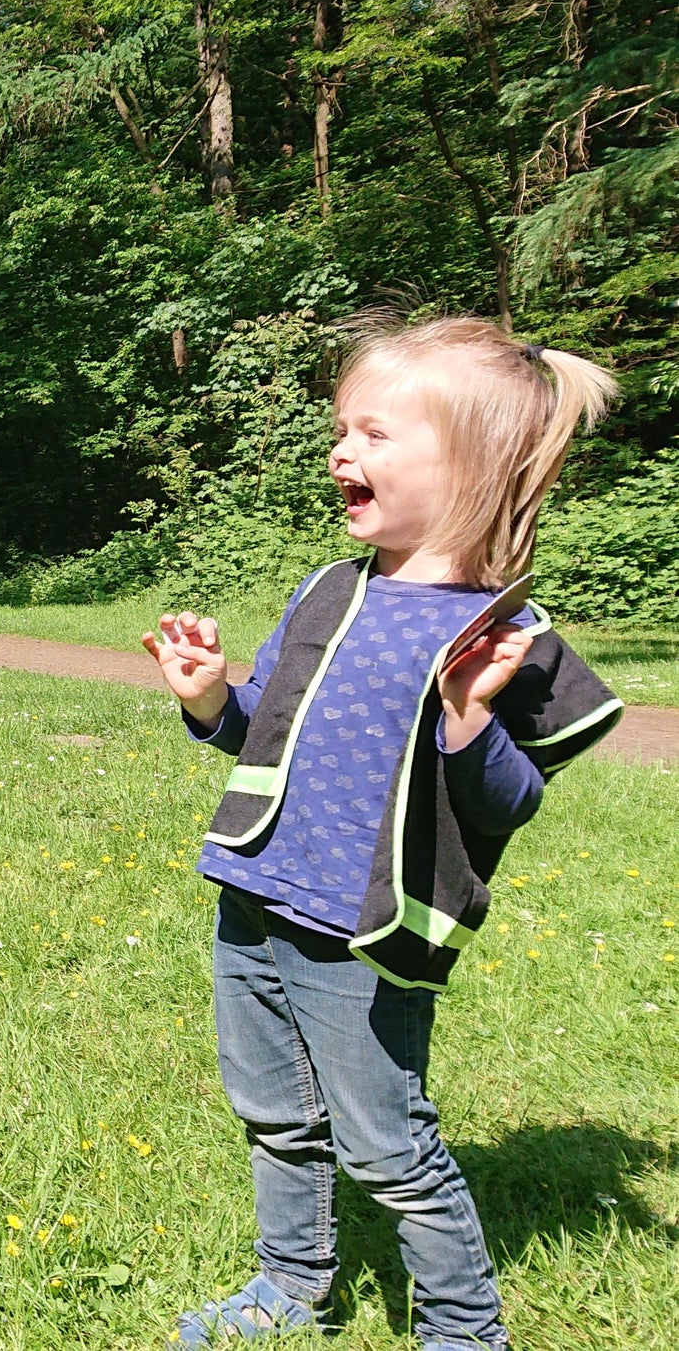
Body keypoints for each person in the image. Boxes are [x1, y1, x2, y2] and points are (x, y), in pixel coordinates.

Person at [142, 317, 624, 1350]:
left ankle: (462, 1327)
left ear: (474, 468)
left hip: (365, 930)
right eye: (339, 431)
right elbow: (253, 729)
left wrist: (466, 714)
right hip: (257, 891)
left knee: (386, 1145)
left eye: (371, 434)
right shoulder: (326, 591)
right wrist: (205, 697)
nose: (340, 452)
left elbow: (508, 801)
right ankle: (289, 1286)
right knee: (271, 1112)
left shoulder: (505, 636)